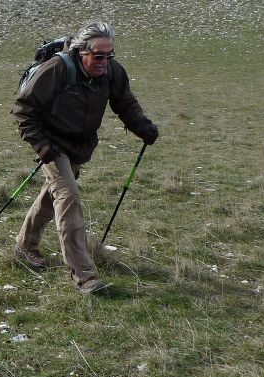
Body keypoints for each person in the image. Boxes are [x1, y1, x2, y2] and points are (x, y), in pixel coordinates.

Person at [12, 21, 159, 295]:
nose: (105, 61)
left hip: (79, 145)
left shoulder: (111, 71)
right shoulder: (57, 68)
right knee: (69, 199)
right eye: (98, 56)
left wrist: (143, 128)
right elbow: (23, 108)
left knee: (52, 195)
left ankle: (25, 245)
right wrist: (43, 147)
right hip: (52, 144)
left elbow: (124, 103)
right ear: (82, 52)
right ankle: (84, 276)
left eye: (109, 55)